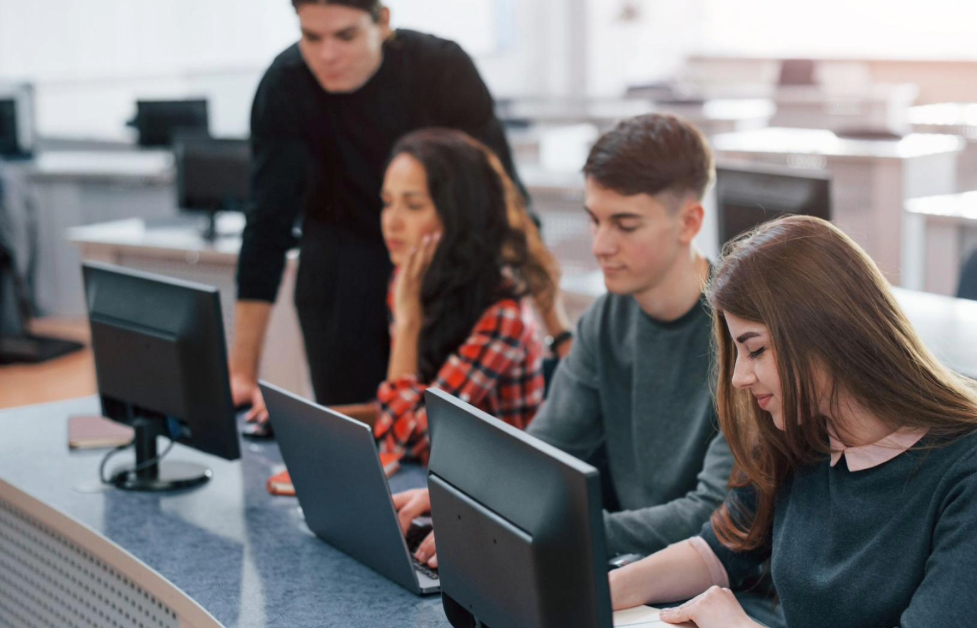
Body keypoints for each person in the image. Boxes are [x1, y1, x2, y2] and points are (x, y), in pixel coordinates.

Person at [609, 215, 977, 628]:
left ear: (827, 335)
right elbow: (719, 551)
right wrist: (603, 589)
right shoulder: (798, 436)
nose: (739, 377)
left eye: (757, 349)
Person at [392, 112, 735, 566]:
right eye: (594, 220)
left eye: (625, 225)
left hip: (716, 585)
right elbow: (543, 454)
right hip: (633, 566)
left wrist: (548, 528)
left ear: (689, 222)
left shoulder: (743, 336)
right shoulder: (605, 319)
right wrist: (466, 498)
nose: (600, 245)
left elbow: (715, 515)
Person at [229, 0, 568, 419]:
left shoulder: (440, 69)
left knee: (434, 427)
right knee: (354, 439)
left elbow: (506, 198)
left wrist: (562, 336)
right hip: (339, 271)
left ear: (383, 21)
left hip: (443, 267)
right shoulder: (285, 84)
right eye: (311, 38)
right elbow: (266, 227)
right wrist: (241, 374)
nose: (327, 55)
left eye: (345, 36)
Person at [339, 128, 550, 463]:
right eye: (387, 203)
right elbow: (404, 406)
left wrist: (408, 325)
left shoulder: (503, 315)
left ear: (458, 215)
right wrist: (304, 416)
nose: (391, 223)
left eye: (413, 205)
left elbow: (406, 439)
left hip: (495, 502)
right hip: (441, 479)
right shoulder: (415, 280)